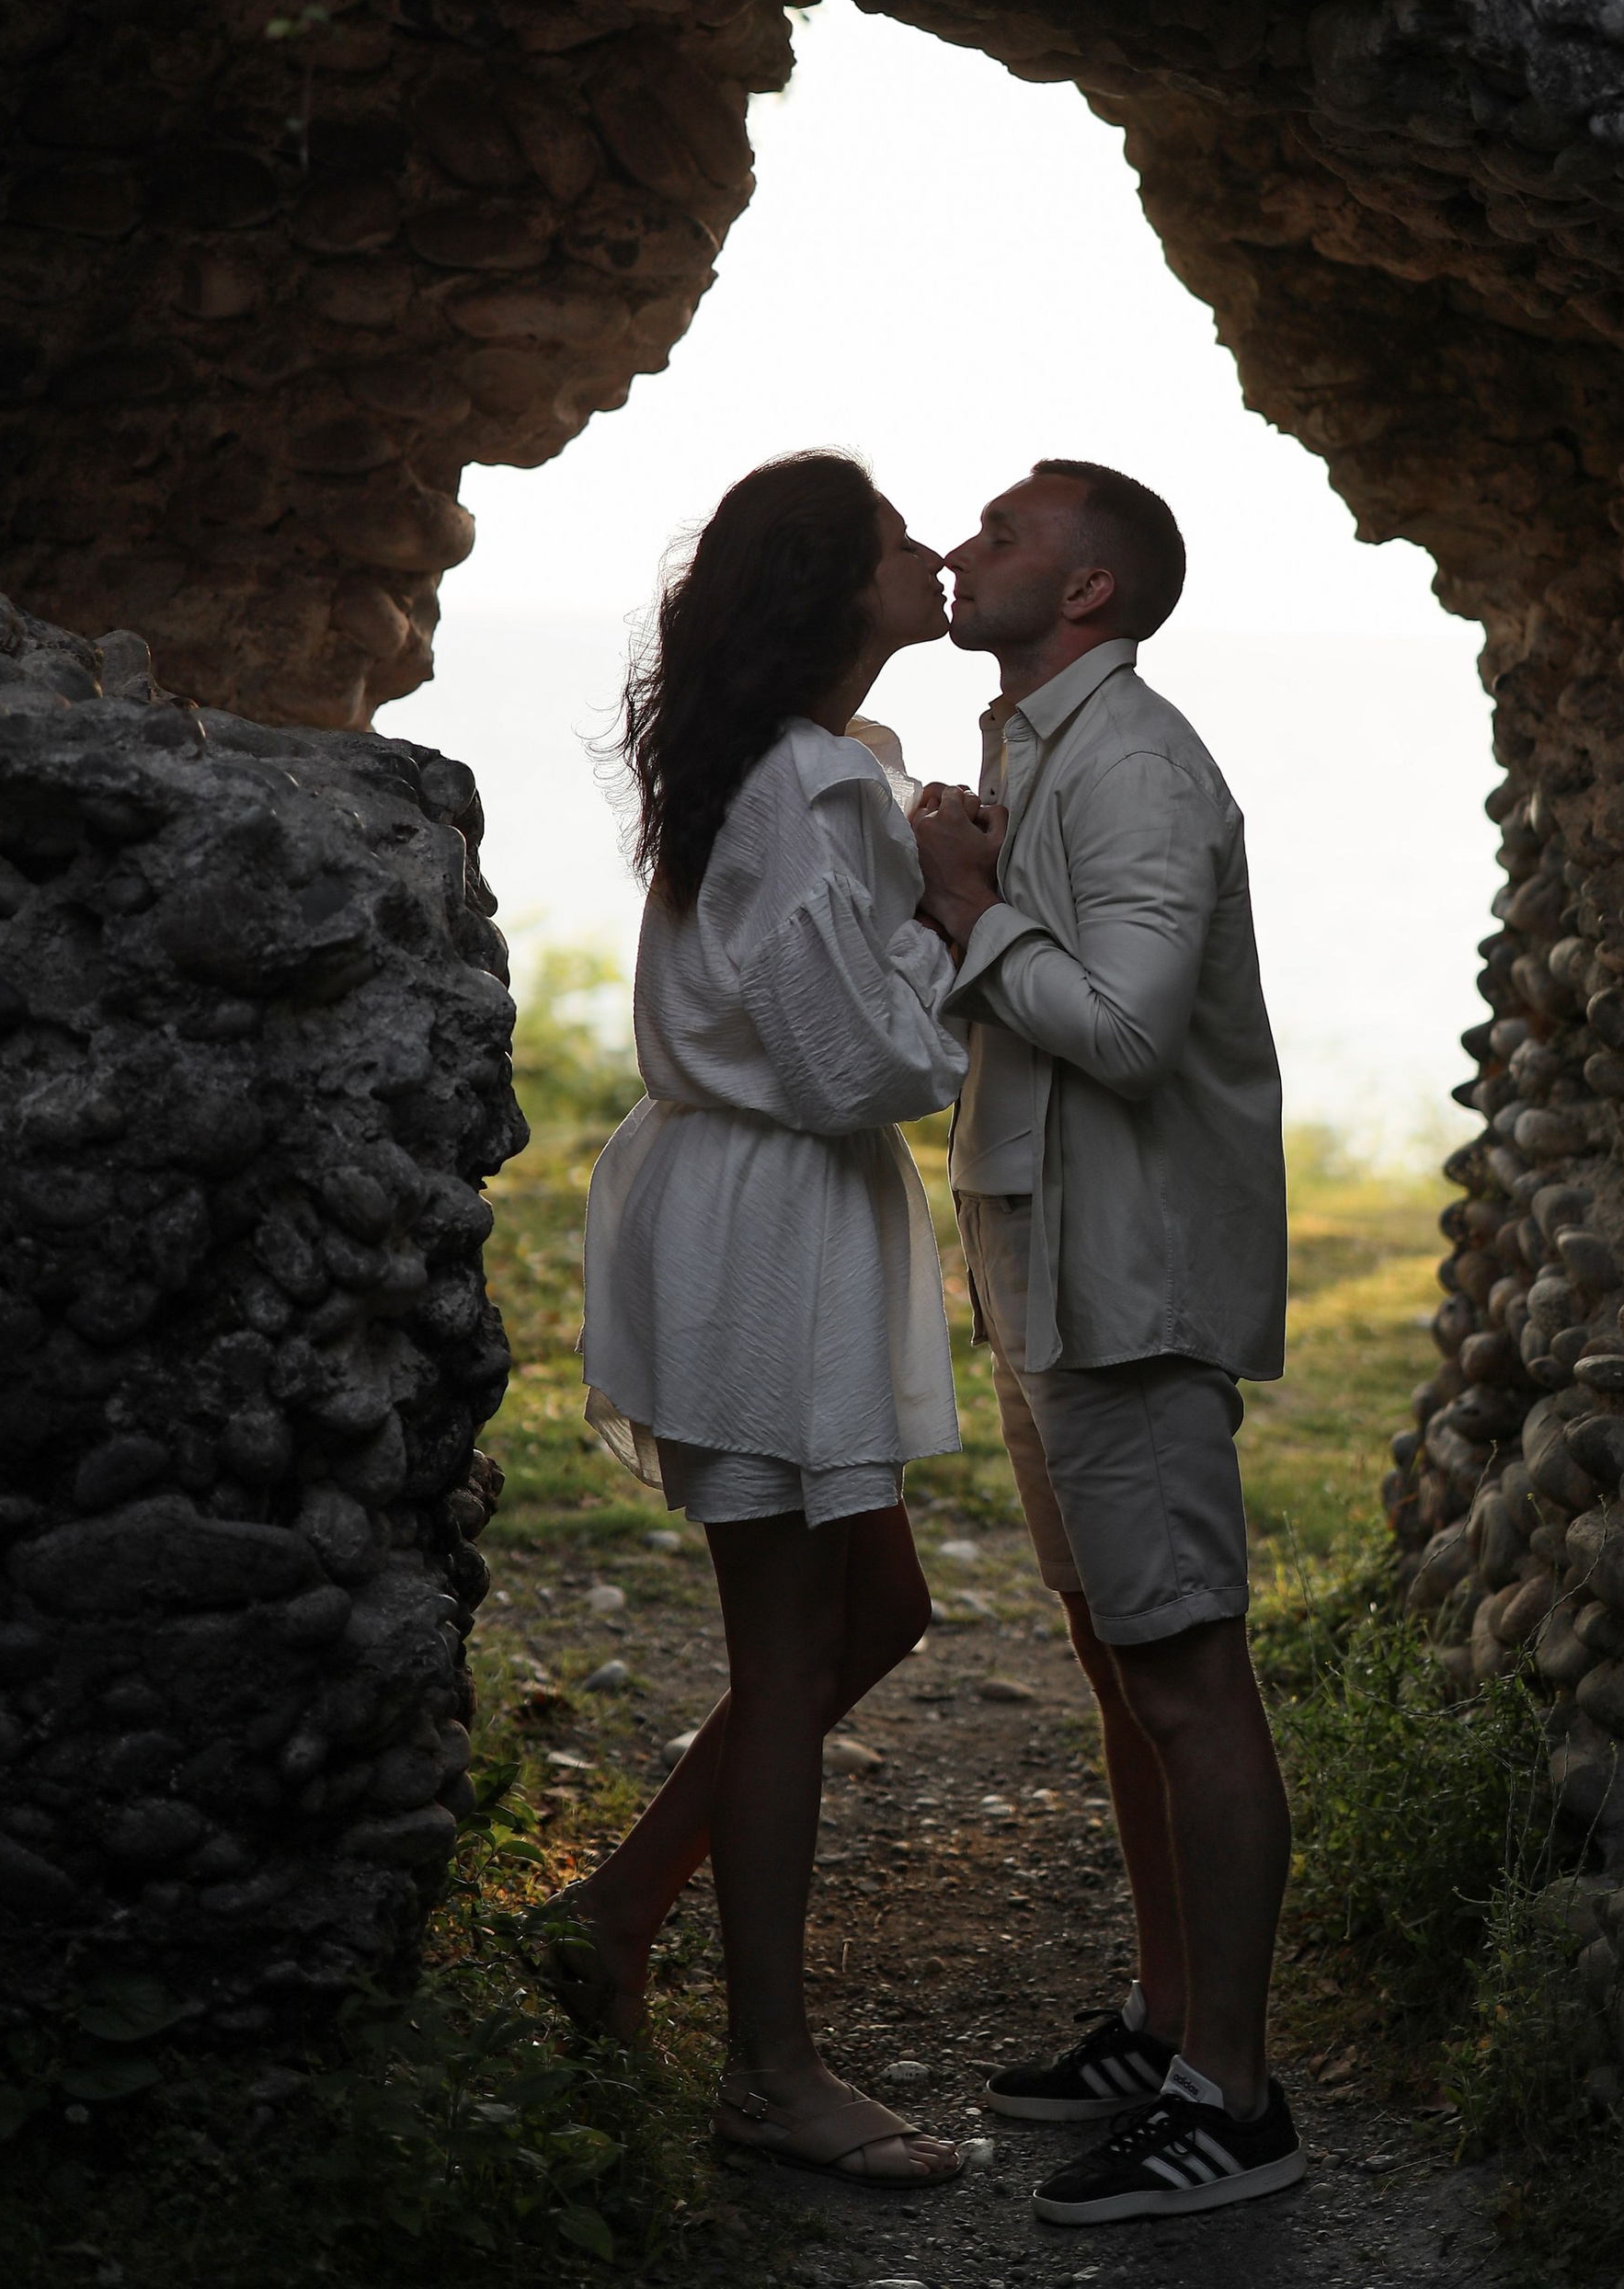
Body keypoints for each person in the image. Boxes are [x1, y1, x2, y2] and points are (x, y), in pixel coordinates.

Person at [540, 453, 966, 2190]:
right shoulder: (805, 784)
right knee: (790, 1656)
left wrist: (918, 857)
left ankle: (619, 1907)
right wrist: (956, 916)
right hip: (765, 1221)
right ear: (830, 587)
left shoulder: (818, 768)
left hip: (750, 1208)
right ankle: (771, 2074)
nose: (933, 554)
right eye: (896, 541)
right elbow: (860, 1060)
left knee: (879, 1607)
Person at [910, 462, 1303, 2225]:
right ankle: (1165, 2025)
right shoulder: (1033, 746)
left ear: (1086, 593)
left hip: (1131, 1288)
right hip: (1049, 1272)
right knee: (1115, 1659)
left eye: (998, 532)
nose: (955, 547)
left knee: (1187, 1676)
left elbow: (1132, 1035)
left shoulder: (1137, 762)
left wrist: (963, 911)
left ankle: (1235, 2096)